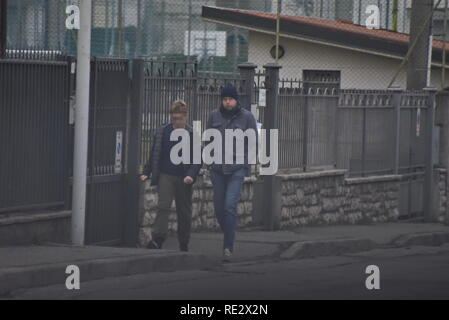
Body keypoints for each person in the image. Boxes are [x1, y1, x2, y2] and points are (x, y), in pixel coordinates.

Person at [206, 83, 258, 262]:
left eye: (230, 99)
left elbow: (253, 143)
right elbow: (208, 140)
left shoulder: (247, 118)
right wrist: (210, 163)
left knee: (229, 205)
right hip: (218, 169)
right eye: (225, 99)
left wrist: (245, 164)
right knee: (219, 209)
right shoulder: (214, 116)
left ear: (236, 100)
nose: (227, 102)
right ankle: (229, 230)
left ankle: (228, 247)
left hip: (237, 169)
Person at [140, 100, 201, 252]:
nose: (177, 122)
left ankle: (184, 242)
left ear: (186, 117)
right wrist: (146, 172)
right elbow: (154, 153)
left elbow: (197, 159)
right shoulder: (163, 132)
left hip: (184, 177)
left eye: (180, 118)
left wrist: (191, 176)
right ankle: (158, 239)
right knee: (163, 206)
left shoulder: (192, 134)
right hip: (165, 174)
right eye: (174, 118)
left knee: (184, 211)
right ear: (170, 117)